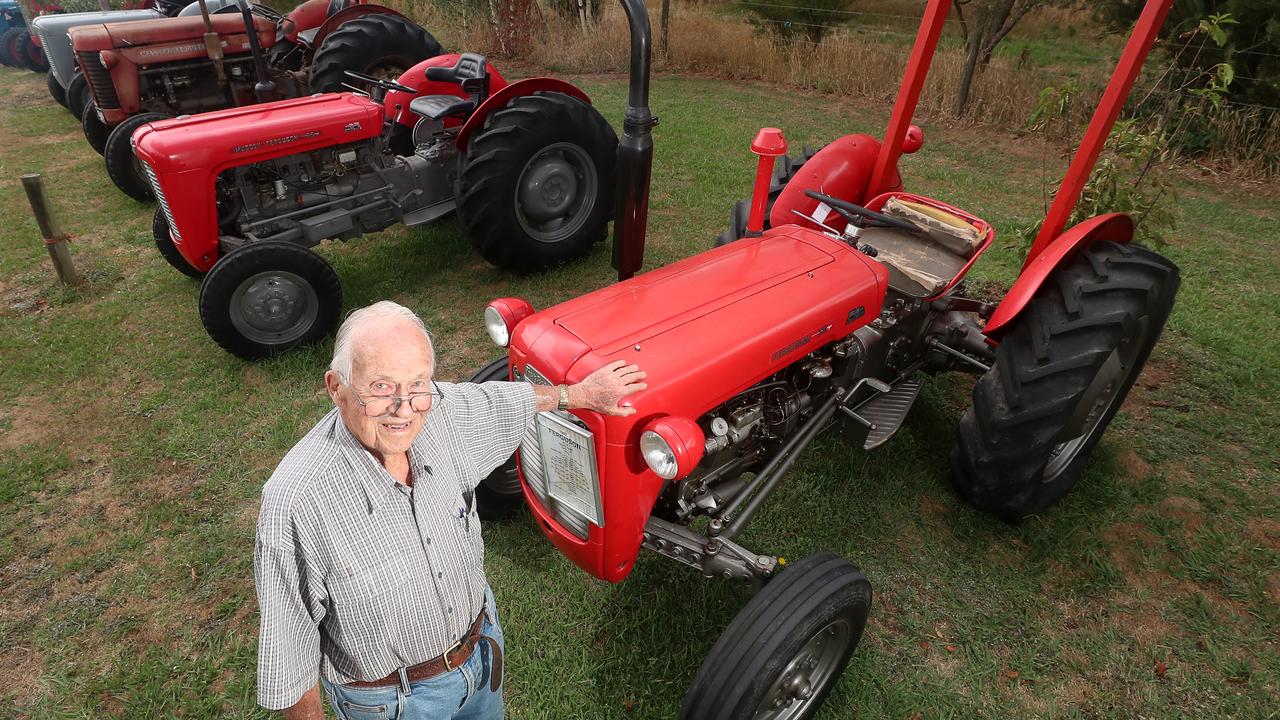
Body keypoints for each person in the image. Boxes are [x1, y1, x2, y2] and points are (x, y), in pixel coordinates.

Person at [254, 301, 646, 719]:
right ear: (336, 387)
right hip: (395, 702)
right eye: (381, 387)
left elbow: (502, 400)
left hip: (481, 654)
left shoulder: (440, 411)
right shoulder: (296, 502)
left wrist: (578, 394)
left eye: (417, 384)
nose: (404, 408)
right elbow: (290, 657)